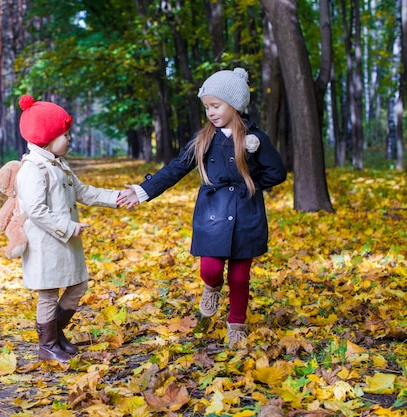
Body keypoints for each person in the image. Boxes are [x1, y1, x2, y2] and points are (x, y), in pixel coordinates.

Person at [117, 68, 287, 348]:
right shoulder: (204, 138)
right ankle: (212, 287)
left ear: (234, 105)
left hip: (246, 214)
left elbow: (277, 172)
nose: (210, 112)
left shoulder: (256, 139)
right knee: (210, 268)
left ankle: (236, 323)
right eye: (207, 106)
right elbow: (176, 168)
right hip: (213, 215)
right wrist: (143, 191)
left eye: (216, 105)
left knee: (240, 275)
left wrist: (249, 181)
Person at [15, 94, 121, 362]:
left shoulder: (58, 163)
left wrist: (115, 198)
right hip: (46, 242)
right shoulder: (33, 169)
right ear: (47, 138)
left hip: (65, 240)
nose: (69, 139)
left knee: (78, 284)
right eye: (65, 134)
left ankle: (56, 334)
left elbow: (82, 191)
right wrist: (67, 227)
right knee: (49, 294)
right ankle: (48, 345)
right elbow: (37, 210)